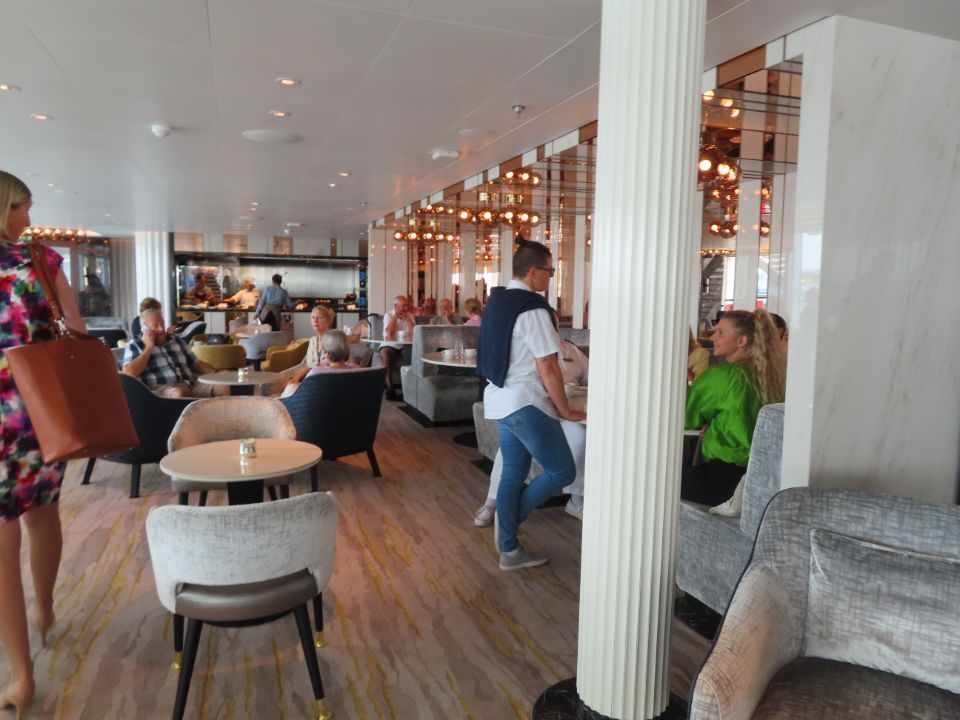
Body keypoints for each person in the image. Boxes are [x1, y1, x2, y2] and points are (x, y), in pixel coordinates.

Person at [0, 170, 87, 717]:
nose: (28, 220)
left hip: (35, 413)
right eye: (19, 209)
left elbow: (75, 335)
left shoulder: (41, 260)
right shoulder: (41, 262)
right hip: (20, 412)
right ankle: (20, 670)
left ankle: (46, 607)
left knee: (42, 517)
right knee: (4, 541)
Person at [477, 240, 585, 571]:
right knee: (562, 470)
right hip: (525, 402)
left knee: (513, 472)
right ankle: (509, 525)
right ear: (534, 271)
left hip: (499, 399)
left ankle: (509, 547)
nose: (551, 278)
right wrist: (565, 410)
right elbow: (548, 367)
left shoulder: (497, 302)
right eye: (550, 272)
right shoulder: (533, 308)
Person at [475, 327, 590, 526]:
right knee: (510, 449)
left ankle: (576, 500)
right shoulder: (525, 350)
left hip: (569, 413)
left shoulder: (572, 351)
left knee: (580, 437)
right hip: (538, 411)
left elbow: (593, 378)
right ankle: (492, 502)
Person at [682, 309, 786, 505]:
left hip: (723, 481)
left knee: (650, 479)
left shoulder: (723, 376)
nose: (713, 337)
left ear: (741, 341)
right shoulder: (772, 376)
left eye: (720, 332)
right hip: (759, 481)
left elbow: (686, 417)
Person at [122, 308, 228, 398]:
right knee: (179, 392)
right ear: (145, 329)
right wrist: (148, 348)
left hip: (190, 384)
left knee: (222, 386)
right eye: (155, 326)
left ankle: (223, 422)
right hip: (160, 390)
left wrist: (217, 374)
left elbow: (196, 363)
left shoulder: (176, 340)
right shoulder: (135, 344)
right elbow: (129, 373)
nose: (161, 329)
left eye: (162, 324)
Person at [280, 330, 358, 398]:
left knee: (291, 387)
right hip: (348, 409)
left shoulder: (316, 373)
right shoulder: (357, 370)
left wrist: (292, 385)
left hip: (319, 410)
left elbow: (304, 393)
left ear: (327, 353)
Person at [381, 295, 415, 400]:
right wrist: (395, 317)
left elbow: (414, 332)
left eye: (407, 306)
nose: (406, 308)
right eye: (403, 306)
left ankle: (409, 388)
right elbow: (389, 334)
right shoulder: (388, 315)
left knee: (411, 354)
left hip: (406, 345)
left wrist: (408, 320)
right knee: (386, 353)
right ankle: (390, 388)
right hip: (390, 344)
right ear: (396, 306)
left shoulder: (410, 315)